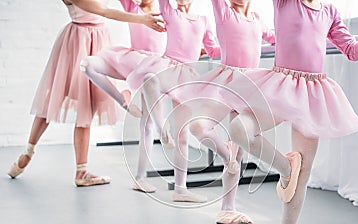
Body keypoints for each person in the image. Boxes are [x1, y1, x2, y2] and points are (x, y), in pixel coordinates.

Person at [224, 0, 358, 224]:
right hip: (279, 85)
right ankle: (286, 168)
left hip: (311, 93)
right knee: (239, 129)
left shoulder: (329, 11)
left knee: (304, 170)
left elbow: (351, 50)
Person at [8, 0, 164, 187]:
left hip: (98, 38)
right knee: (57, 99)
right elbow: (104, 11)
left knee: (87, 103)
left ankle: (79, 170)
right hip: (78, 41)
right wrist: (141, 19)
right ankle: (29, 152)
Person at [168, 0, 275, 223]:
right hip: (226, 81)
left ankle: (228, 208)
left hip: (250, 84)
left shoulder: (257, 19)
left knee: (240, 147)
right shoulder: (224, 12)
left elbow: (278, 39)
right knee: (199, 126)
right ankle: (225, 155)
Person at [124, 0, 221, 201]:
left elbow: (213, 50)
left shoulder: (203, 20)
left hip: (186, 76)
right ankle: (161, 131)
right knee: (150, 82)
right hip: (165, 67)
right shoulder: (169, 11)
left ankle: (180, 190)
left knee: (183, 133)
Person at [80, 0, 167, 192]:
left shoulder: (165, 9)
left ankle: (140, 177)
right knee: (87, 64)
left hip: (153, 67)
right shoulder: (132, 7)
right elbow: (107, 10)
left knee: (147, 123)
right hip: (130, 61)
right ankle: (123, 101)